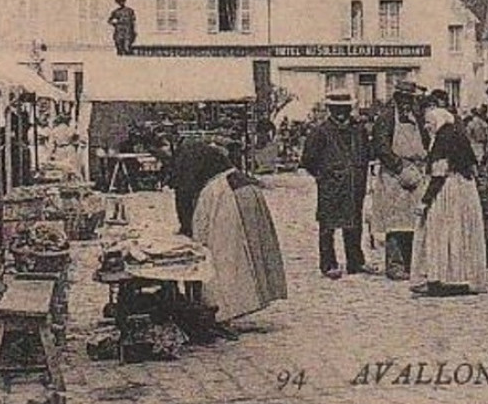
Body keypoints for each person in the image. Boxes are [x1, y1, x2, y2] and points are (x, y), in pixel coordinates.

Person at [184, 137, 288, 323]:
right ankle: (249, 298)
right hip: (243, 191)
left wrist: (192, 235)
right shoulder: (222, 170)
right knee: (247, 250)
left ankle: (226, 306)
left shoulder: (209, 186)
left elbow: (196, 219)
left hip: (229, 197)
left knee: (227, 254)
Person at [411, 108, 486, 297]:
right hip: (465, 189)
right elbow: (472, 165)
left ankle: (442, 279)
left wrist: (425, 201)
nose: (426, 126)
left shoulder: (443, 139)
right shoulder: (457, 134)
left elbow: (438, 174)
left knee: (442, 232)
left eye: (429, 122)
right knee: (460, 232)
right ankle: (463, 278)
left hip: (448, 191)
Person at [301, 91, 375, 278]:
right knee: (328, 225)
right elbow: (308, 160)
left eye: (345, 109)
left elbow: (368, 153)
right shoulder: (320, 132)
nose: (341, 113)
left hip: (355, 184)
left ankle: (355, 262)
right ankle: (328, 264)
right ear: (330, 110)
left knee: (354, 223)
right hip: (330, 185)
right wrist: (323, 176)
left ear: (350, 109)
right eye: (336, 109)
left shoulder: (358, 130)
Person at [370, 82, 430, 280]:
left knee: (413, 220)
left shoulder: (417, 118)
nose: (407, 102)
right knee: (395, 221)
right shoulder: (386, 118)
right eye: (403, 98)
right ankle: (394, 265)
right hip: (394, 175)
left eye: (410, 99)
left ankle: (411, 262)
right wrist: (399, 167)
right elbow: (381, 147)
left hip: (416, 171)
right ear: (396, 97)